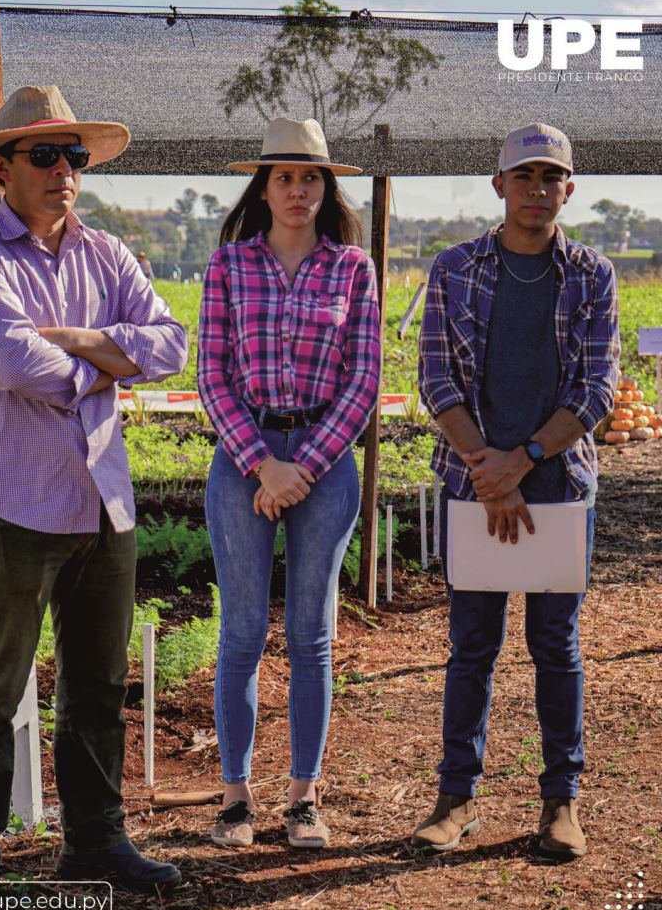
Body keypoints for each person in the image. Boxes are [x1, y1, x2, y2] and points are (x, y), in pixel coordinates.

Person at [0, 85, 188, 910]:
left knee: (97, 685)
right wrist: (105, 358)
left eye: (73, 156)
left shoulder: (108, 254)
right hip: (13, 508)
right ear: (1, 169)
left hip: (102, 504)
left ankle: (95, 840)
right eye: (44, 155)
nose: (63, 171)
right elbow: (16, 368)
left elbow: (170, 343)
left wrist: (71, 340)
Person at [414, 123, 620, 859]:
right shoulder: (456, 268)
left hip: (560, 487)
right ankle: (455, 797)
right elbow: (434, 378)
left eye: (552, 177)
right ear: (499, 185)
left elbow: (598, 388)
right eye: (525, 176)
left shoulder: (592, 274)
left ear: (569, 188)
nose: (538, 189)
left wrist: (524, 459)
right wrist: (486, 468)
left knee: (555, 646)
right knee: (472, 646)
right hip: (473, 487)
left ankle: (561, 801)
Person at [198, 117, 381, 850]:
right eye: (285, 177)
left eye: (311, 177)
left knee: (312, 636)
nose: (299, 189)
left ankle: (303, 800)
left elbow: (363, 378)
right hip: (243, 463)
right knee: (241, 633)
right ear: (263, 187)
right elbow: (211, 375)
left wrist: (302, 465)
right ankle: (235, 798)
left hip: (325, 464)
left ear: (326, 187)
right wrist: (261, 462)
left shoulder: (352, 269)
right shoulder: (229, 266)